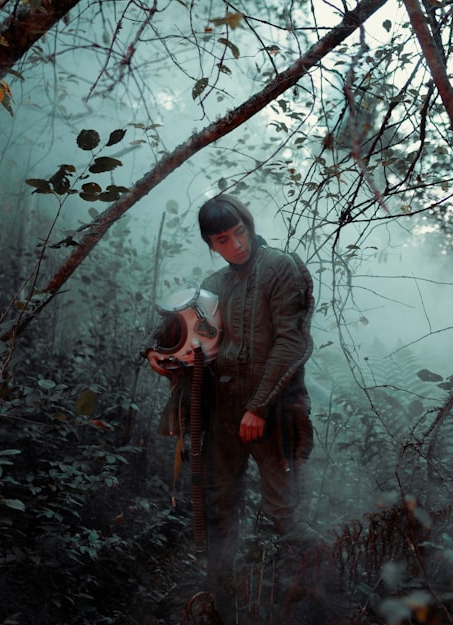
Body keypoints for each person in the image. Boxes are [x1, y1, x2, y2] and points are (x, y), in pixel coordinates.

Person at [149, 194, 315, 615]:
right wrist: (155, 353)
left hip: (274, 411)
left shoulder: (281, 267)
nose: (236, 244)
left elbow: (292, 343)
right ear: (212, 243)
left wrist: (259, 408)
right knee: (222, 508)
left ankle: (316, 598)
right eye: (223, 239)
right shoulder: (217, 285)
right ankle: (221, 601)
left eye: (240, 231)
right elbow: (183, 331)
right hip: (223, 414)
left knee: (284, 513)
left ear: (248, 223)